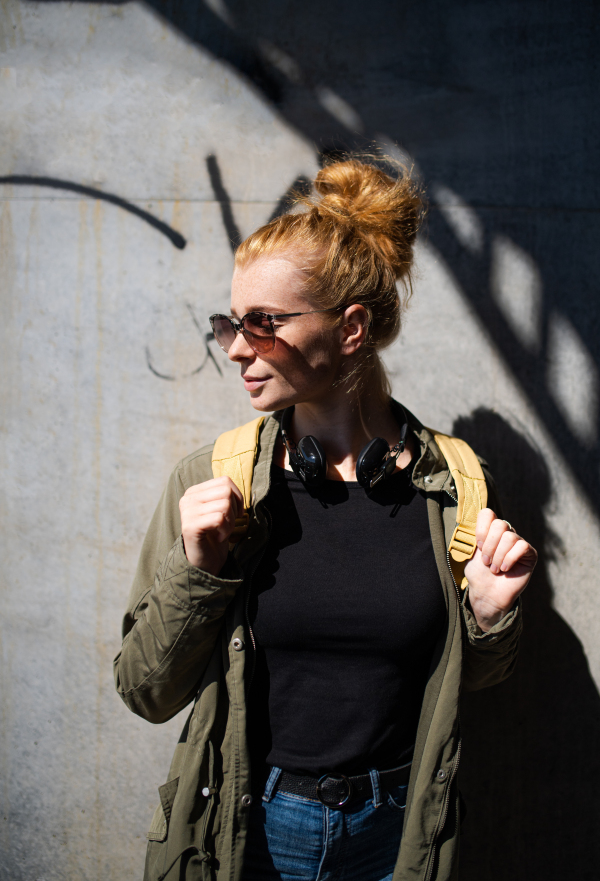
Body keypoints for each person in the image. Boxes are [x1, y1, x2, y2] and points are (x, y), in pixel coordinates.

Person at [114, 158, 536, 881]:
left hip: (400, 837)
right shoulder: (213, 479)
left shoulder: (455, 484)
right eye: (231, 323)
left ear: (351, 328)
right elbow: (145, 689)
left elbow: (474, 683)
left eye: (264, 323)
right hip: (250, 832)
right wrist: (199, 572)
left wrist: (490, 620)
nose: (238, 347)